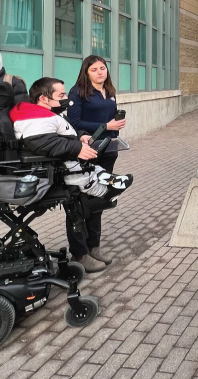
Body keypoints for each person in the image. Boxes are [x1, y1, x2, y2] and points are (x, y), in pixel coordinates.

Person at [10, 78, 132, 272]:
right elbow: (43, 142)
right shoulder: (35, 118)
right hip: (62, 172)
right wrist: (77, 148)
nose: (66, 98)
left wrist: (80, 135)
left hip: (69, 166)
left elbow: (58, 133)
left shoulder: (44, 114)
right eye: (61, 95)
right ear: (43, 98)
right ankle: (81, 255)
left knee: (96, 195)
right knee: (87, 202)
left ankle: (87, 248)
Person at [66, 55, 127, 271]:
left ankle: (94, 246)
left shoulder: (109, 92)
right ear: (86, 72)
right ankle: (79, 252)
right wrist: (106, 124)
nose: (100, 72)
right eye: (95, 69)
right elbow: (73, 122)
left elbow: (112, 122)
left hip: (109, 150)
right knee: (81, 200)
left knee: (100, 197)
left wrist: (115, 127)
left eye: (103, 68)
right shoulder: (78, 92)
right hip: (88, 150)